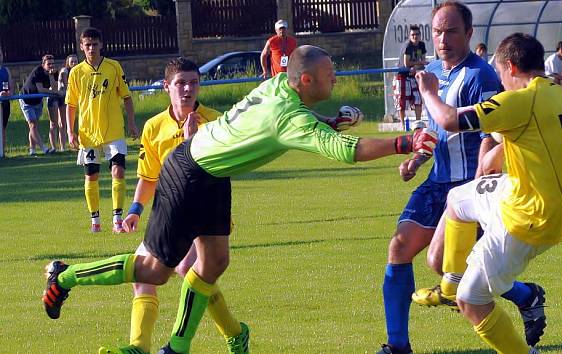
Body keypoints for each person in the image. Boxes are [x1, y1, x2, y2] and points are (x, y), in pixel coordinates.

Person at [42, 45, 437, 354]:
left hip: (213, 173)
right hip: (190, 172)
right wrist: (403, 142)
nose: (335, 80)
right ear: (305, 81)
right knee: (154, 271)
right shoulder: (290, 117)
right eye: (330, 76)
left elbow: (291, 122)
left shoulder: (277, 86)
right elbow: (346, 150)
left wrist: (327, 122)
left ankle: (178, 346)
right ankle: (64, 277)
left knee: (214, 262)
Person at [378, 3, 542, 354]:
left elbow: (490, 131)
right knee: (399, 247)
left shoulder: (481, 75)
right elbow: (434, 126)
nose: (443, 38)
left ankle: (526, 294)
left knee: (450, 270)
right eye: (437, 31)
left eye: (451, 31)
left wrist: (487, 169)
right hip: (437, 182)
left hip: (469, 187)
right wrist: (418, 157)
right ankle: (397, 346)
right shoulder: (433, 71)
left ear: (468, 34)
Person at [416, 32, 562, 354]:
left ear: (509, 66)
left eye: (499, 72)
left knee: (474, 301)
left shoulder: (520, 101)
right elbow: (529, 137)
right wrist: (498, 151)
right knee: (458, 199)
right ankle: (450, 283)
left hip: (529, 217)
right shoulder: (557, 94)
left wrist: (428, 92)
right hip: (537, 195)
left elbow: (449, 120)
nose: (500, 80)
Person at [96, 57, 247, 354]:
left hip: (205, 217)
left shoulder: (216, 121)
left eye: (193, 82)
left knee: (190, 267)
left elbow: (221, 171)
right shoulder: (153, 127)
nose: (188, 89)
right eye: (180, 83)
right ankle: (139, 346)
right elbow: (148, 177)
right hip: (170, 215)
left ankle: (233, 334)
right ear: (167, 87)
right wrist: (135, 210)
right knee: (143, 275)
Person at [66, 27, 139, 233]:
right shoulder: (76, 72)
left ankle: (117, 219)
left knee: (119, 171)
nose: (91, 48)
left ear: (101, 45)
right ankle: (95, 221)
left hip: (114, 131)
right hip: (88, 134)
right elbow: (71, 105)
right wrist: (71, 132)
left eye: (94, 44)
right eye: (87, 45)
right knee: (91, 176)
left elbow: (126, 97)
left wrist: (132, 123)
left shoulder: (114, 67)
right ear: (81, 47)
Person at [19, 54, 59, 156]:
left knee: (34, 126)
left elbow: (54, 88)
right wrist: (52, 92)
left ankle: (32, 150)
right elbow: (41, 89)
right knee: (32, 125)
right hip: (26, 99)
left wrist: (51, 75)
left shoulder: (53, 72)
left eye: (52, 64)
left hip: (37, 101)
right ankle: (44, 148)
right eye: (49, 64)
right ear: (43, 64)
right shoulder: (38, 71)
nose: (51, 66)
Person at [392, 25, 427, 130]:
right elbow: (406, 63)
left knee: (418, 99)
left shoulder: (421, 45)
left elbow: (423, 61)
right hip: (402, 76)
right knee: (402, 101)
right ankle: (403, 126)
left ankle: (418, 124)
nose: (415, 37)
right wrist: (418, 64)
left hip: (413, 75)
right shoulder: (408, 46)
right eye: (413, 35)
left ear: (420, 35)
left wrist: (416, 65)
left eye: (417, 34)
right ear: (409, 36)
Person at [52, 54, 78, 152]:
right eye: (72, 62)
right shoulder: (65, 71)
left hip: (72, 98)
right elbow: (68, 87)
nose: (74, 63)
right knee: (62, 123)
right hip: (62, 98)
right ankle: (63, 147)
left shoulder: (77, 71)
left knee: (71, 122)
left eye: (76, 61)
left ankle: (73, 144)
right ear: (68, 63)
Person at [0, 50, 13, 157]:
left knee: (3, 127)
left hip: (5, 103)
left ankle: (2, 152)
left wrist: (8, 93)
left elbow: (11, 86)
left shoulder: (6, 70)